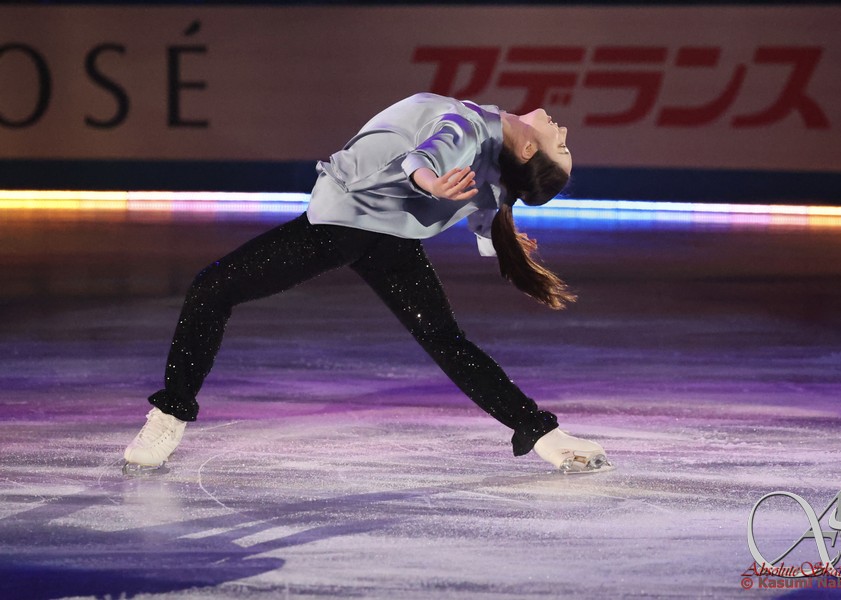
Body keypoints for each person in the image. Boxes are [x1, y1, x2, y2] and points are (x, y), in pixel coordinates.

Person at [124, 93, 609, 473]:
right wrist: (489, 228)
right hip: (387, 233)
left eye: (561, 145)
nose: (564, 131)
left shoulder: (469, 127)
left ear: (529, 149)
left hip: (346, 224)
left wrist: (430, 183)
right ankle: (541, 433)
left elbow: (426, 156)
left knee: (211, 289)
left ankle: (171, 413)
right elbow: (487, 187)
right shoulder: (492, 140)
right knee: (446, 341)